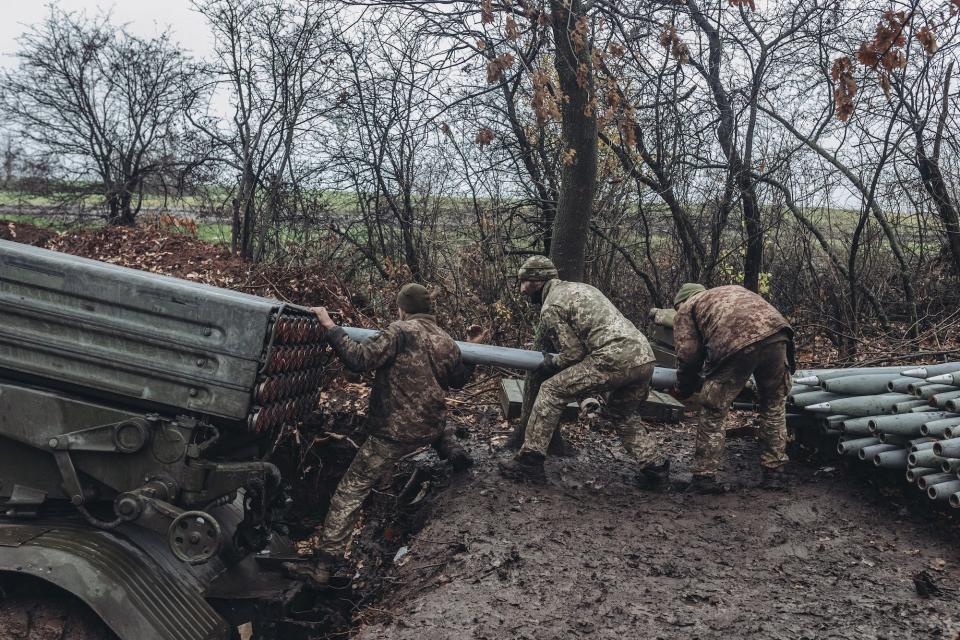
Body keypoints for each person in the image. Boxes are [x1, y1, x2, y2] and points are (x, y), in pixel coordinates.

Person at [285, 283, 487, 586]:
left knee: (350, 491)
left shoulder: (400, 331)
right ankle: (450, 449)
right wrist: (474, 346)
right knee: (435, 420)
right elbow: (458, 380)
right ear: (430, 310)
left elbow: (358, 360)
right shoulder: (446, 340)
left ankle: (324, 568)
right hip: (430, 427)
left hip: (396, 432)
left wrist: (330, 326)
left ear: (402, 308)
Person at [498, 255, 669, 486]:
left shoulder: (551, 305)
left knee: (551, 390)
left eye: (524, 282)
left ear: (538, 280)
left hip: (613, 357)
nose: (521, 290)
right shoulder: (582, 288)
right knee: (623, 414)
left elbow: (573, 353)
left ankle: (529, 462)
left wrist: (551, 363)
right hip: (645, 358)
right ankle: (655, 469)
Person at [671, 283, 795, 494]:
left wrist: (684, 388)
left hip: (737, 342)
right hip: (779, 334)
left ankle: (704, 477)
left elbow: (688, 357)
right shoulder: (729, 292)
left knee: (713, 409)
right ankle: (775, 472)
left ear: (680, 301)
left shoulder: (687, 307)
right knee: (774, 404)